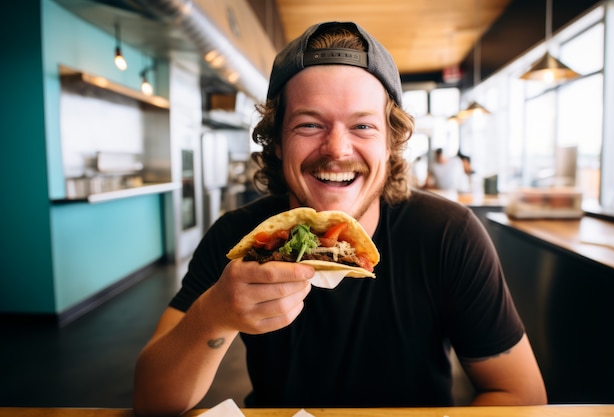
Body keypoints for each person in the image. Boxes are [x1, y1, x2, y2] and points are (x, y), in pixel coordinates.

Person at [133, 21, 547, 416]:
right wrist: (213, 315)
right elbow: (152, 402)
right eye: (309, 124)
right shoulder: (239, 236)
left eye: (363, 126)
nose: (337, 149)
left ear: (391, 143)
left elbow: (520, 395)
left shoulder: (447, 234)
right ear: (276, 142)